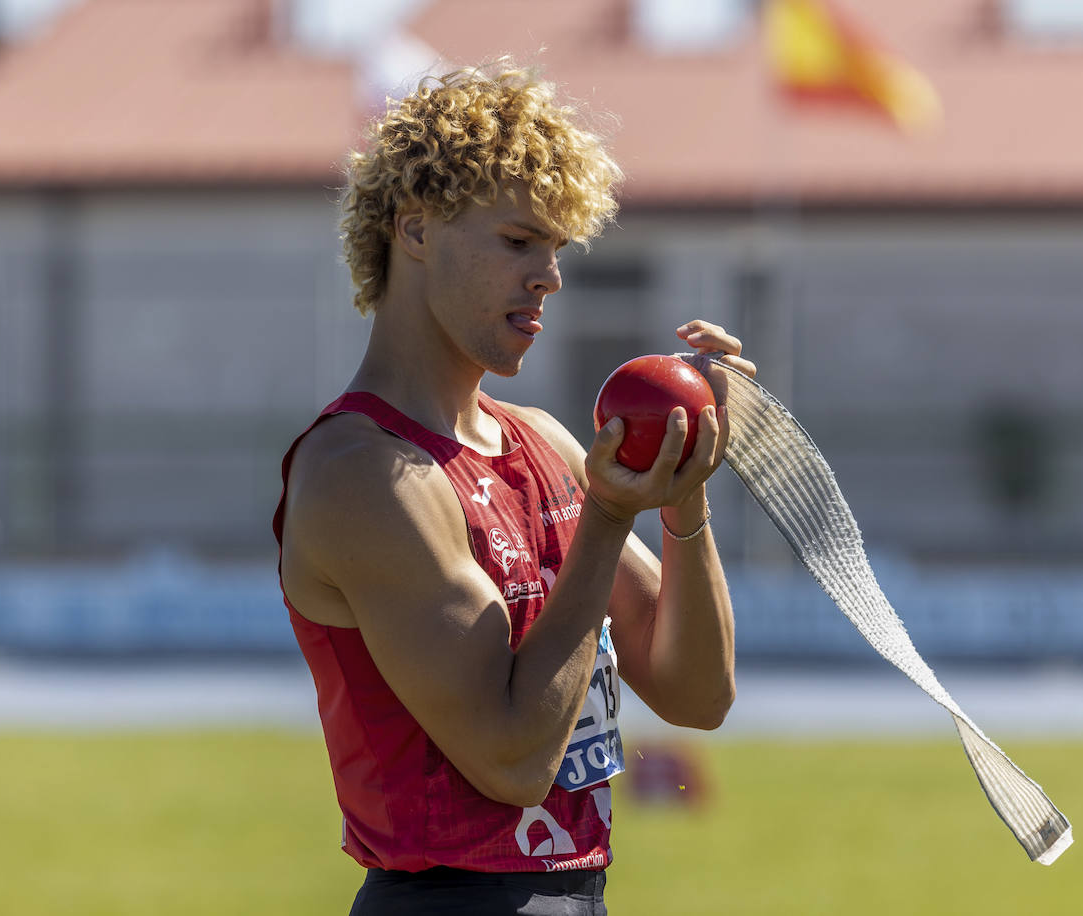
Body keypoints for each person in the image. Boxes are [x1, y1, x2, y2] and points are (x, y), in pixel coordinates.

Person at [273, 62, 756, 915]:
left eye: (558, 248)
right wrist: (606, 519)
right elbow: (512, 762)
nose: (549, 277)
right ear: (415, 230)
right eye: (517, 241)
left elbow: (698, 695)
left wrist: (684, 495)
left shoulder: (544, 442)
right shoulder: (364, 473)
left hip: (577, 898)